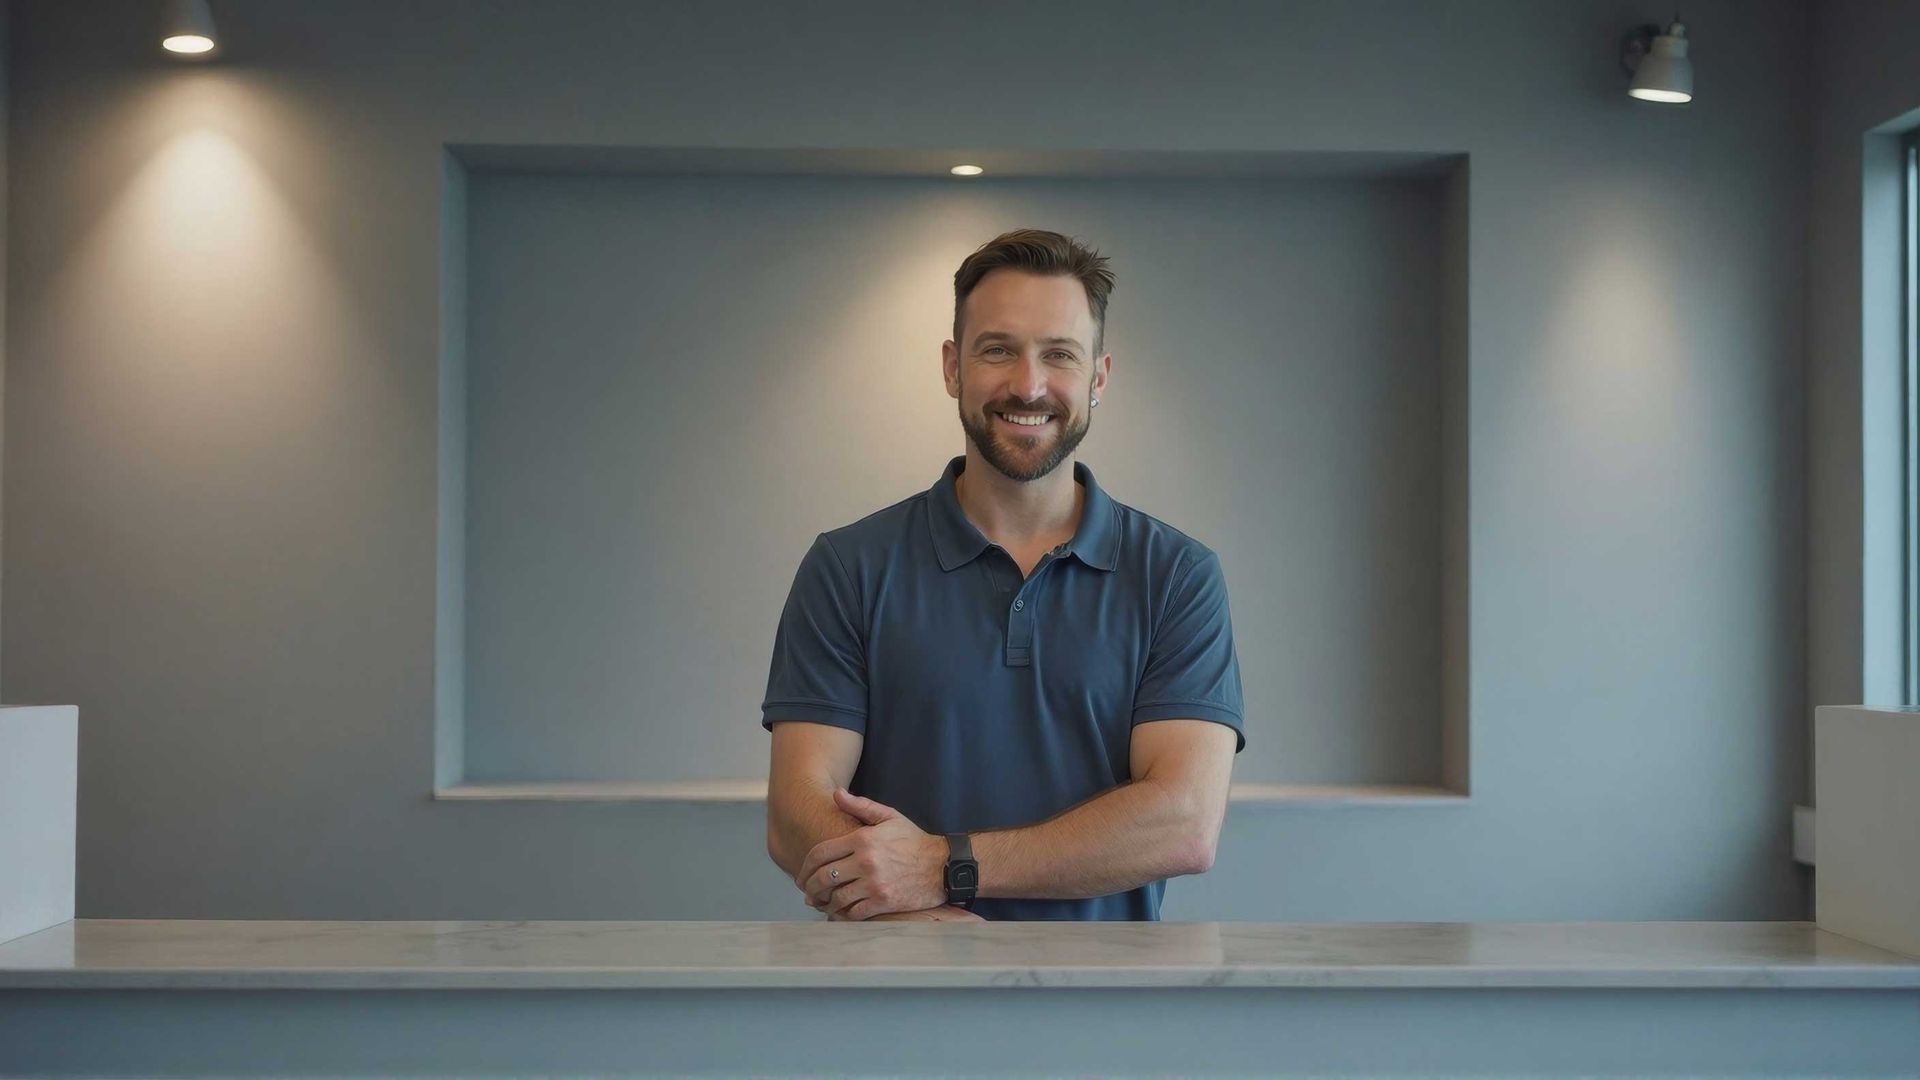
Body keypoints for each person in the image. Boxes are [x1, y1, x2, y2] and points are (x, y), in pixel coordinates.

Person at [761, 228, 1244, 922]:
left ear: (1098, 377)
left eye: (1059, 355)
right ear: (954, 368)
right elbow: (796, 810)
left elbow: (1185, 823)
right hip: (898, 1003)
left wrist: (943, 868)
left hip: (1110, 1009)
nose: (1029, 384)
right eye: (998, 350)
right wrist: (939, 931)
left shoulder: (1176, 576)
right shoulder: (849, 567)